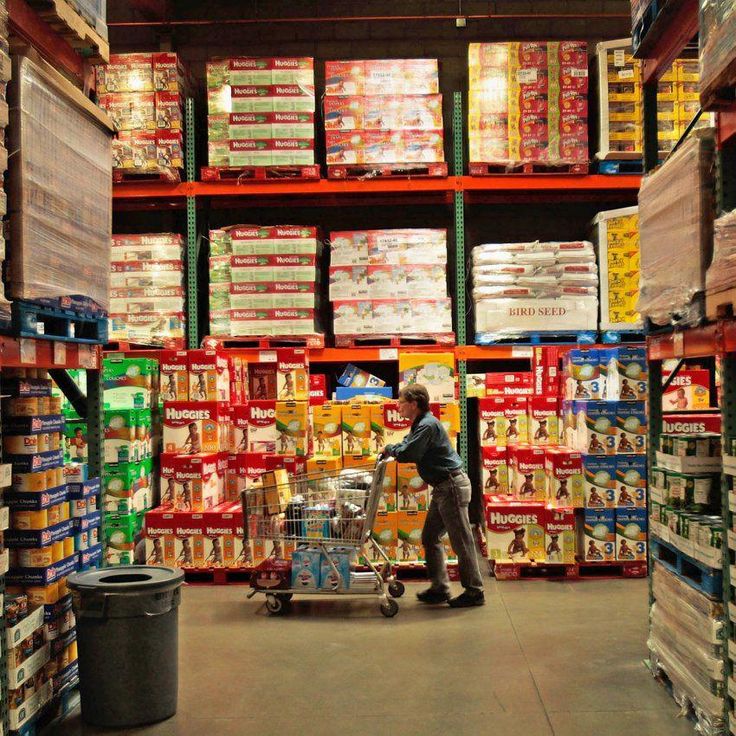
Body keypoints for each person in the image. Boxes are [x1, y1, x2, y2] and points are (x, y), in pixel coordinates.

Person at [380, 384, 484, 607]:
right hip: (444, 488)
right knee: (429, 536)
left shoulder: (427, 425)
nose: (397, 407)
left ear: (414, 404)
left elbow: (409, 452)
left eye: (401, 403)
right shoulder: (421, 423)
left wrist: (390, 449)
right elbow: (407, 444)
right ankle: (440, 587)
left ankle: (474, 591)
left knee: (462, 540)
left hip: (451, 487)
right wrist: (393, 447)